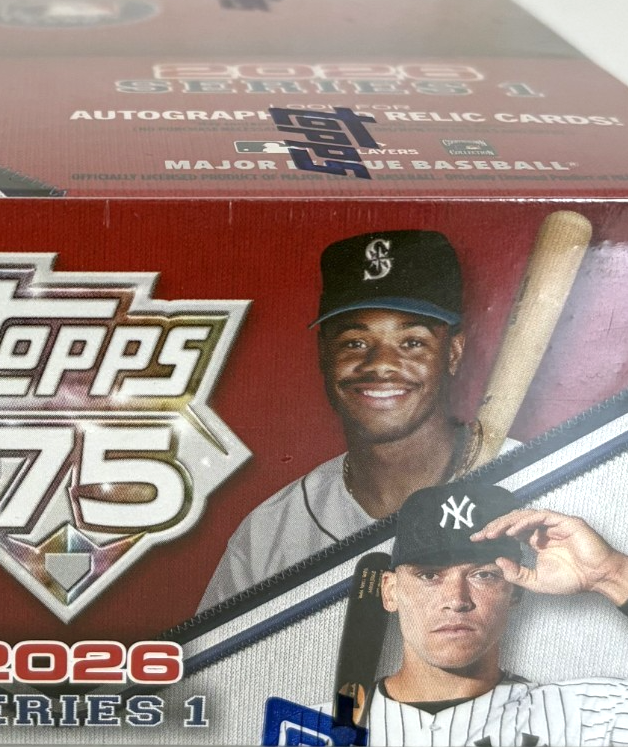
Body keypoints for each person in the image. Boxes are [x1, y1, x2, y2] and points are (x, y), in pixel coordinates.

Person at [200, 229, 512, 610]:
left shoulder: (539, 480)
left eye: (412, 342)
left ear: (453, 353)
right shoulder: (269, 534)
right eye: (355, 343)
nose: (380, 364)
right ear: (323, 353)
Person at [364, 479, 628, 747]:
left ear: (516, 591)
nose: (456, 600)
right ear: (390, 591)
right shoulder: (333, 723)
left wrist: (614, 574)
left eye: (484, 575)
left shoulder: (588, 718)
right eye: (429, 576)